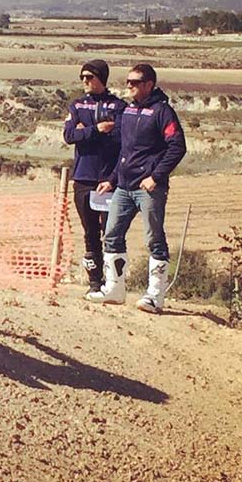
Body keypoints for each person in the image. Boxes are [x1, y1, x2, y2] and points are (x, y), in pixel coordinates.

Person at [87, 63, 186, 313]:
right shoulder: (128, 111)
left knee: (154, 239)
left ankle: (154, 296)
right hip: (123, 186)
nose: (128, 86)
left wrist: (156, 175)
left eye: (134, 82)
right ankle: (115, 289)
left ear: (149, 85)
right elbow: (122, 149)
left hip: (149, 188)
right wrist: (111, 178)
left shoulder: (162, 112)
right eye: (127, 81)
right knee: (111, 234)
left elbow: (177, 146)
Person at [63, 59, 126, 295]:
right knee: (89, 233)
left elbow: (121, 142)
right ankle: (94, 283)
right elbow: (69, 135)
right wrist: (96, 130)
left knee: (112, 232)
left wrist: (112, 178)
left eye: (90, 77)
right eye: (82, 77)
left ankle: (115, 283)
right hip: (83, 178)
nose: (85, 81)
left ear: (102, 78)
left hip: (109, 181)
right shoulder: (77, 105)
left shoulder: (118, 107)